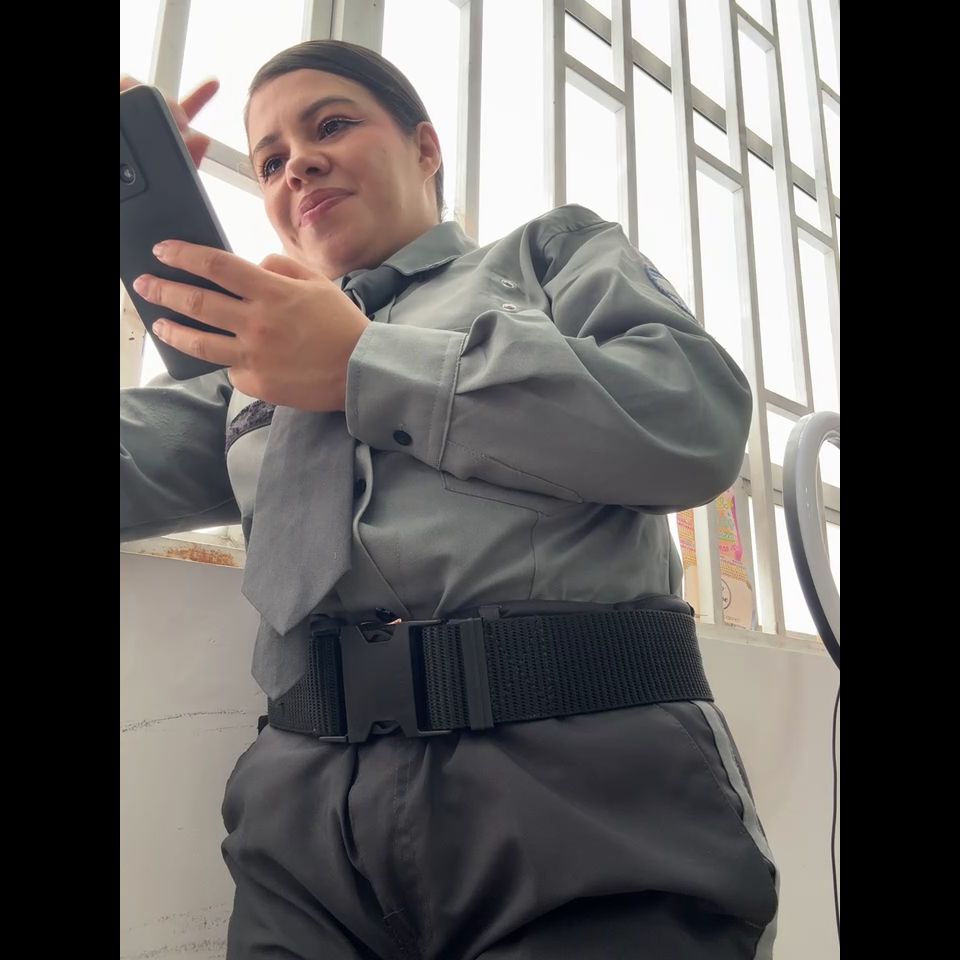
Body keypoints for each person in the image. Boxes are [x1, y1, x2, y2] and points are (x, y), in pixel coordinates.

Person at [121, 39, 777, 960]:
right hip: (298, 827)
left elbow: (694, 419)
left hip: (582, 791)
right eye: (268, 161)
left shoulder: (548, 256)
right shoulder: (247, 374)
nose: (296, 164)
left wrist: (364, 363)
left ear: (425, 147)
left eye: (331, 125)